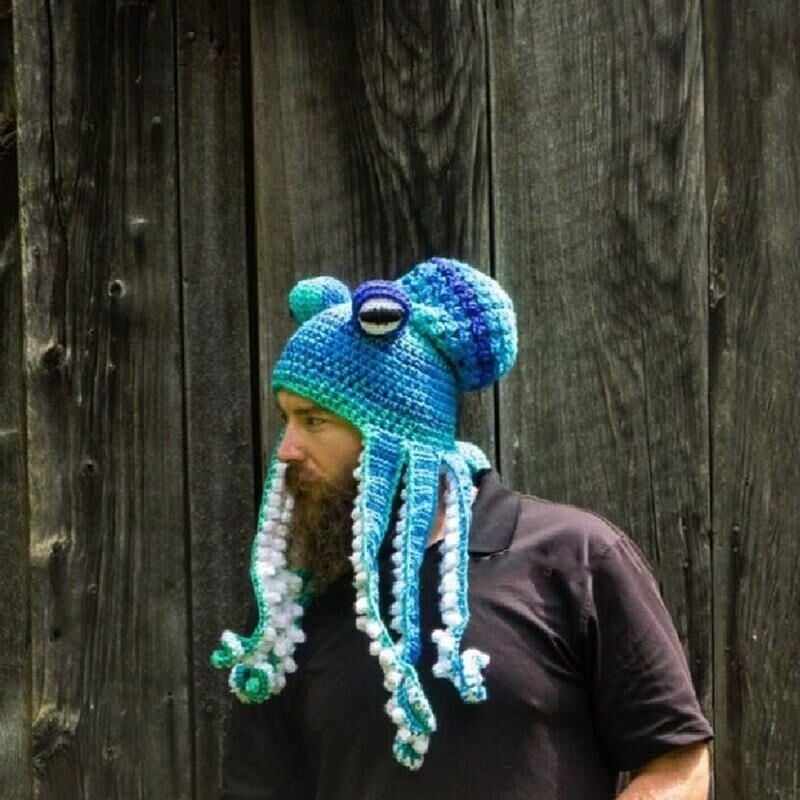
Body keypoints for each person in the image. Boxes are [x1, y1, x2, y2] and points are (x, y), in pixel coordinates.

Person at [212, 258, 713, 799]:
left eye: (314, 420)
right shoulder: (292, 608)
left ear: (399, 431)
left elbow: (678, 765)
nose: (286, 449)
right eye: (285, 418)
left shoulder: (575, 557)